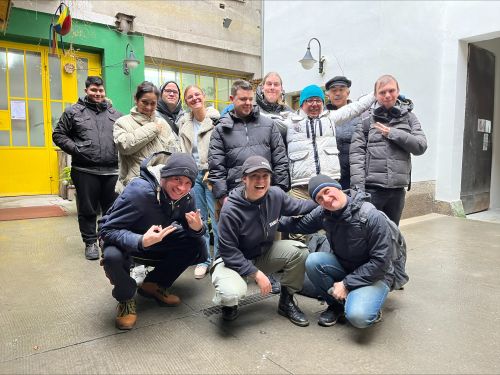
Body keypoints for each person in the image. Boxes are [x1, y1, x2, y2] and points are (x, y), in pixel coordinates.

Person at [99, 152, 207, 330]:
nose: (182, 187)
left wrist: (197, 228)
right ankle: (125, 298)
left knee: (196, 243)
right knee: (112, 257)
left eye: (188, 183)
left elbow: (190, 227)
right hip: (124, 238)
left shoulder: (187, 196)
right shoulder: (140, 191)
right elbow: (107, 230)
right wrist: (140, 240)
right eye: (177, 179)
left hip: (155, 238)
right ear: (165, 175)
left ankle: (154, 284)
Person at [280, 174, 398, 329]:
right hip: (347, 267)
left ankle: (369, 307)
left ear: (337, 187)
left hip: (377, 275)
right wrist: (267, 220)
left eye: (327, 191)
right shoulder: (324, 213)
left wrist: (346, 284)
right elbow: (298, 225)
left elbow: (381, 263)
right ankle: (337, 305)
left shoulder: (371, 216)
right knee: (313, 260)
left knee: (358, 317)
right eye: (320, 199)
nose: (326, 200)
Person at [212, 156, 317, 326]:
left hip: (261, 254)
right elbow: (228, 252)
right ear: (244, 179)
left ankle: (286, 301)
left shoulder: (275, 194)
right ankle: (229, 305)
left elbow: (298, 207)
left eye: (265, 176)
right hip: (231, 262)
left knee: (299, 251)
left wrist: (324, 199)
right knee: (230, 294)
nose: (261, 181)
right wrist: (257, 274)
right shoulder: (230, 209)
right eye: (254, 176)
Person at [208, 79, 289, 293]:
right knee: (232, 241)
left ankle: (269, 273)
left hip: (265, 193)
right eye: (242, 99)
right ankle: (231, 284)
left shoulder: (268, 124)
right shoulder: (221, 129)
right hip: (235, 197)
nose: (247, 103)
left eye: (250, 99)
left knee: (268, 236)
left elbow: (280, 158)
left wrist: (279, 189)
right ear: (232, 99)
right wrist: (222, 197)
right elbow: (216, 166)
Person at [52, 76, 122, 260]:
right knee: (87, 209)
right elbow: (58, 135)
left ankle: (105, 239)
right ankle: (90, 242)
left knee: (112, 210)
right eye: (93, 90)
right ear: (86, 91)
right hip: (85, 170)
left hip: (112, 171)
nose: (97, 94)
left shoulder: (116, 114)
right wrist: (76, 149)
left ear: (104, 92)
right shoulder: (73, 112)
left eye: (100, 91)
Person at [350, 74, 427, 225]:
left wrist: (393, 133)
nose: (387, 95)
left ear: (398, 91)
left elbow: (420, 146)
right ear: (376, 95)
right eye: (382, 92)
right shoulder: (366, 119)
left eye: (391, 90)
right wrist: (359, 190)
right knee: (369, 233)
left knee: (392, 232)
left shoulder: (409, 118)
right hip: (373, 190)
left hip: (397, 190)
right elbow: (356, 155)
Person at [177, 85, 220, 279]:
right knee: (198, 219)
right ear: (186, 102)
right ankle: (204, 259)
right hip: (192, 177)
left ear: (203, 96)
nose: (194, 98)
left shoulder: (216, 120)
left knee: (218, 219)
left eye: (197, 95)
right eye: (190, 97)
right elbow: (181, 150)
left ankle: (220, 259)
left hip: (211, 175)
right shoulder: (183, 123)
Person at [114, 81, 180, 195]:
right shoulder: (122, 122)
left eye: (153, 103)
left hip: (161, 187)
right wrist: (152, 128)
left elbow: (175, 152)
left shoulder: (162, 123)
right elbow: (125, 146)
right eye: (144, 102)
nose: (149, 107)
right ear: (136, 99)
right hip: (133, 187)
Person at [324, 76, 358, 190]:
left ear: (348, 92)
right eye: (334, 91)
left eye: (341, 90)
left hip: (353, 175)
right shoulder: (323, 116)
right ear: (328, 95)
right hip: (329, 175)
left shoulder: (357, 114)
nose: (337, 93)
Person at [255, 72, 292, 138]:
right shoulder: (253, 111)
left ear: (281, 89)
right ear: (263, 88)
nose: (272, 87)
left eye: (276, 84)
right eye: (269, 84)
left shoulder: (290, 113)